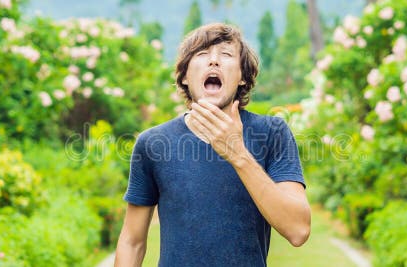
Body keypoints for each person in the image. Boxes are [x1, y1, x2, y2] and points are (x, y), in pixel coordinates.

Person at [114, 23, 310, 267]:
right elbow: (132, 241)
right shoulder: (152, 143)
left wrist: (237, 154)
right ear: (185, 76)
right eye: (202, 54)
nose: (214, 61)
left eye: (226, 55)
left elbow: (298, 230)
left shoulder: (272, 134)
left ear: (242, 77)